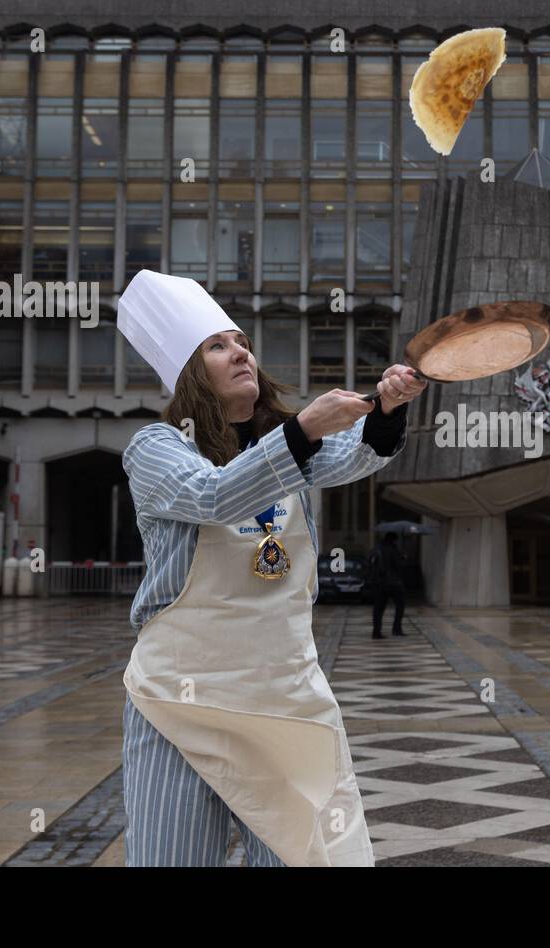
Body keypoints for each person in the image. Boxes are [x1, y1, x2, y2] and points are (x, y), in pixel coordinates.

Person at [115, 270, 425, 867]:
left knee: (306, 857)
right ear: (189, 373)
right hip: (179, 702)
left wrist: (385, 406)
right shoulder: (155, 449)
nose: (242, 353)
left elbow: (355, 453)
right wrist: (304, 428)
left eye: (243, 343)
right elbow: (211, 495)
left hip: (281, 695)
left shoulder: (288, 449)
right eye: (220, 345)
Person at [367, 531, 407, 640]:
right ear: (394, 540)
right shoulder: (393, 550)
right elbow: (399, 565)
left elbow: (370, 563)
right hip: (393, 583)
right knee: (400, 605)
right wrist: (403, 557)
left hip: (379, 583)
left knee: (378, 609)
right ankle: (396, 629)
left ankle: (376, 632)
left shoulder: (377, 548)